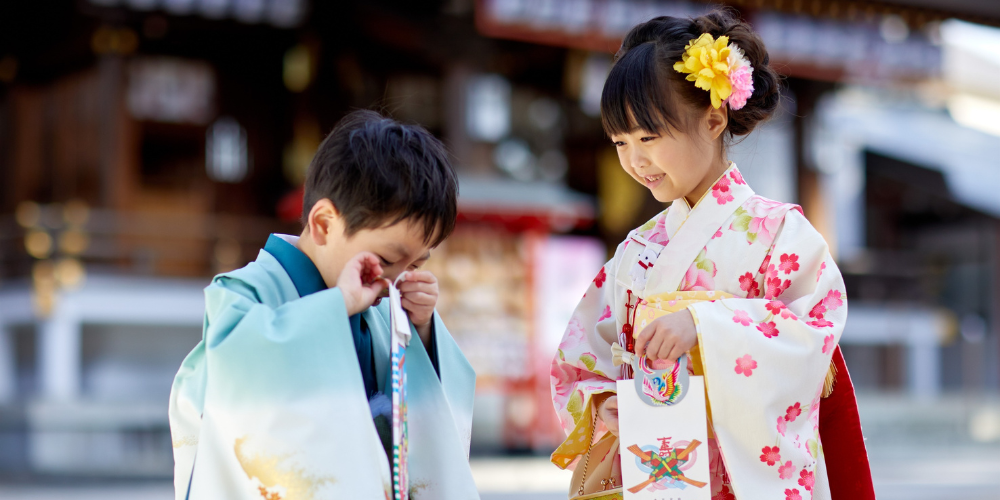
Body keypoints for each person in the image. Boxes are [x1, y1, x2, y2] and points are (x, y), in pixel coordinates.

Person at [550, 10, 874, 500]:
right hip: (656, 471)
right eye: (620, 142)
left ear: (714, 118)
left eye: (649, 137)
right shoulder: (635, 252)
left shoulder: (781, 234)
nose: (634, 160)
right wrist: (601, 404)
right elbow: (581, 359)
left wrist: (704, 327)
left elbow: (813, 339)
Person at [169, 110, 478, 499]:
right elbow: (234, 375)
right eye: (386, 260)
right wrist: (336, 306)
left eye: (416, 264)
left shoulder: (384, 312)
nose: (397, 280)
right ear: (324, 224)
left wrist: (423, 332)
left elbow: (431, 419)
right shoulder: (246, 293)